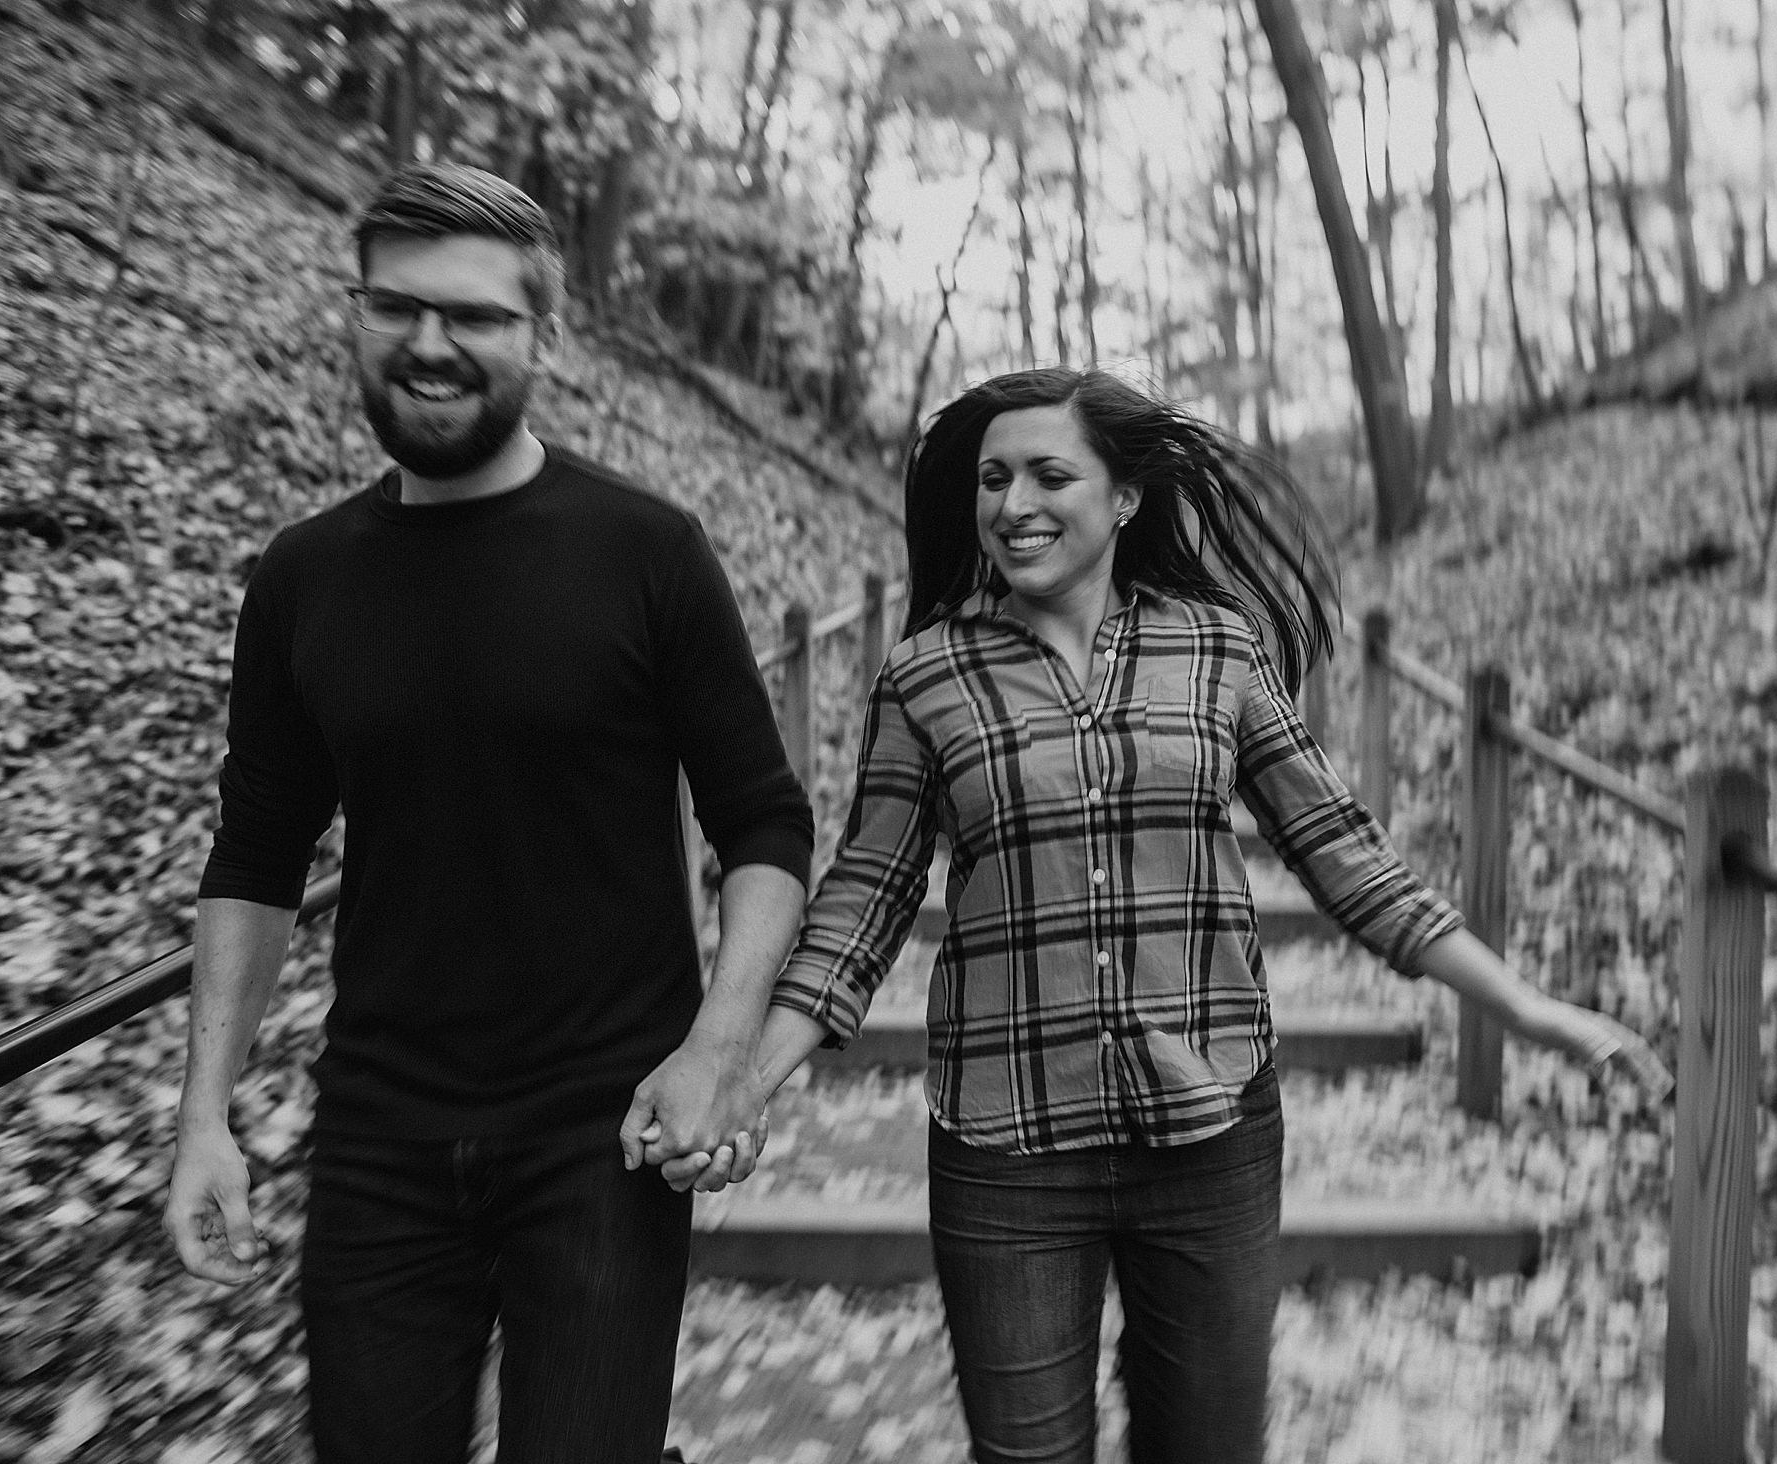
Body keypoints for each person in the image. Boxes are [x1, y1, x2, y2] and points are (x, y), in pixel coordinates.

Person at [667, 367, 1674, 1464]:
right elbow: (865, 898)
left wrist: (1525, 1009)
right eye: (993, 479)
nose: (1014, 504)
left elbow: (1343, 851)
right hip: (1008, 1148)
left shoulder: (1213, 649)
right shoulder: (927, 677)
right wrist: (744, 1080)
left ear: (1126, 499)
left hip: (1211, 1137)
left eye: (1052, 474)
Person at [161, 162, 811, 1464]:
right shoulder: (303, 578)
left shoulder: (646, 552)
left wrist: (718, 1049)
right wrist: (203, 1118)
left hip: (602, 1139)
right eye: (398, 307)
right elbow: (256, 853)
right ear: (357, 317)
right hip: (377, 1140)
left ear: (546, 337)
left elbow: (764, 828)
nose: (431, 343)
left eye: (475, 316)